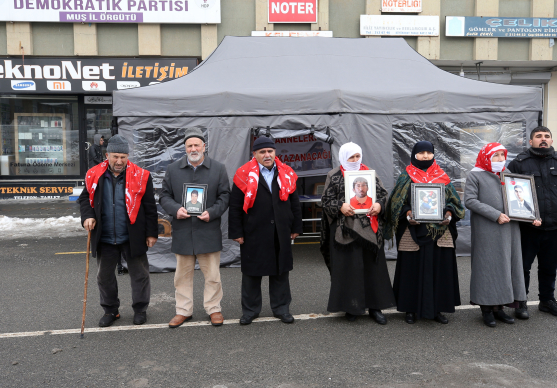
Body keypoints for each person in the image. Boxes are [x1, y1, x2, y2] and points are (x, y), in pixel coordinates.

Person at [78, 135, 158, 327]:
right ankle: (111, 310)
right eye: (115, 156)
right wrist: (87, 216)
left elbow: (150, 207)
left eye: (123, 157)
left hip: (133, 235)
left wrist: (151, 233)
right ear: (107, 155)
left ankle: (140, 310)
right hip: (105, 236)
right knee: (104, 277)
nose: (119, 161)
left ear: (128, 156)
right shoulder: (94, 175)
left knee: (140, 275)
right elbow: (84, 199)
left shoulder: (141, 176)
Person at [385, 141, 465, 325]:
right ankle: (410, 309)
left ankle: (437, 309)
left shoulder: (442, 176)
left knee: (440, 269)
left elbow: (455, 202)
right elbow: (397, 202)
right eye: (421, 153)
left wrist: (449, 213)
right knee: (411, 270)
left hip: (440, 231)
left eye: (429, 153)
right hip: (413, 229)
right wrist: (408, 213)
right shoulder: (406, 176)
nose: (425, 156)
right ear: (414, 155)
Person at [159, 128, 230, 328]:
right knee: (182, 276)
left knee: (213, 276)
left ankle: (214, 308)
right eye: (189, 145)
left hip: (208, 229)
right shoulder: (173, 169)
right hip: (182, 230)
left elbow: (225, 196)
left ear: (203, 147)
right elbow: (164, 196)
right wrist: (175, 210)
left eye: (196, 145)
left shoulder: (218, 168)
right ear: (185, 148)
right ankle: (183, 310)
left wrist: (212, 212)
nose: (193, 148)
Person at [229, 136, 302, 325]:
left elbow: (294, 203)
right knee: (252, 273)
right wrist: (237, 232)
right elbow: (235, 206)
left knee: (280, 271)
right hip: (253, 231)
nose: (267, 155)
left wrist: (296, 227)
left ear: (275, 152)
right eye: (262, 152)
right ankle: (250, 310)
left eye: (270, 151)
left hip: (281, 230)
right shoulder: (243, 174)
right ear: (254, 154)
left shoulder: (287, 173)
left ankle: (281, 308)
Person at [319, 142, 395, 325]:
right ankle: (351, 307)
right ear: (344, 157)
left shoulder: (370, 173)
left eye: (357, 156)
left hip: (370, 230)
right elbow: (326, 200)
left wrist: (380, 206)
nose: (354, 160)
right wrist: (340, 206)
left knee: (373, 270)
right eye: (351, 157)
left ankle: (375, 307)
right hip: (345, 232)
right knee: (349, 270)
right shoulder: (334, 175)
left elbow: (383, 195)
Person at [508, 126, 557, 319]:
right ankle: (520, 302)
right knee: (523, 267)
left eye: (547, 136)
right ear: (530, 142)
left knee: (549, 267)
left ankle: (547, 301)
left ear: (552, 140)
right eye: (538, 136)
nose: (543, 139)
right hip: (527, 228)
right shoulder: (518, 164)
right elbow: (509, 195)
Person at [464, 143, 536, 328]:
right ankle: (486, 309)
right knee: (488, 267)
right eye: (495, 156)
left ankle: (500, 307)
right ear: (485, 157)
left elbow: (521, 198)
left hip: (510, 229)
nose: (499, 160)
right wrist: (495, 214)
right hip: (487, 229)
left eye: (502, 156)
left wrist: (532, 215)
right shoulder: (475, 175)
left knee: (506, 266)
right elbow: (470, 200)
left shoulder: (508, 175)